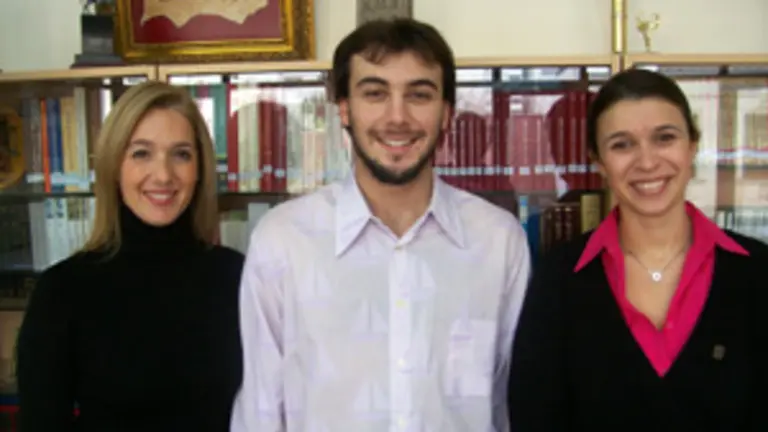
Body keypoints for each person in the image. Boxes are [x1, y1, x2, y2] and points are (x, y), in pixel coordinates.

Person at [230, 18, 531, 432]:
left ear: (446, 114)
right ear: (344, 109)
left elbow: (513, 404)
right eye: (375, 93)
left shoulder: (498, 242)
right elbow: (261, 410)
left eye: (419, 95)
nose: (397, 117)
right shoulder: (283, 241)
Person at [508, 68, 768, 430]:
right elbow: (534, 418)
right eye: (622, 144)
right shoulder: (559, 280)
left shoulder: (759, 272)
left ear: (692, 146)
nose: (647, 162)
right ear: (598, 162)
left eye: (665, 138)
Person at [16, 81, 245, 431]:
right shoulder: (62, 292)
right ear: (113, 166)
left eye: (181, 154)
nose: (164, 175)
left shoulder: (238, 276)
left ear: (199, 169)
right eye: (141, 153)